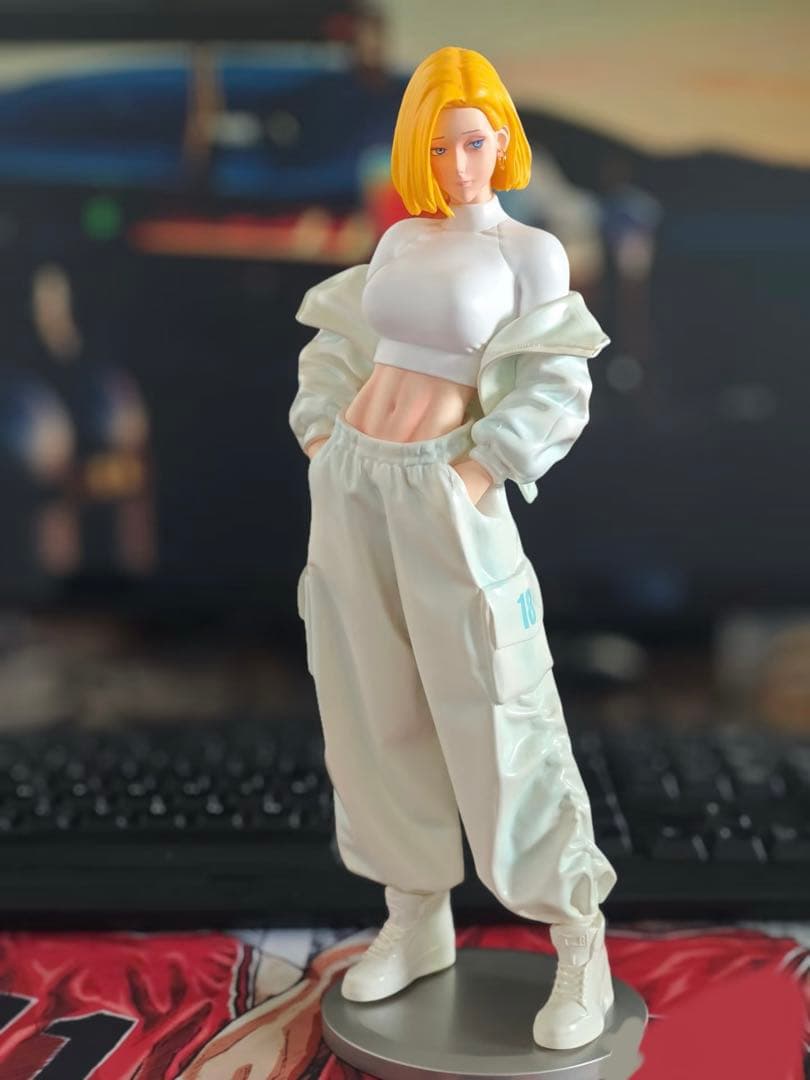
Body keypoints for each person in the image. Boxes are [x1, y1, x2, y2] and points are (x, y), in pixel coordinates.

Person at [289, 45, 618, 1051]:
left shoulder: (530, 253)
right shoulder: (400, 242)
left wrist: (476, 469)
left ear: (502, 139)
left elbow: (558, 380)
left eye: (474, 141)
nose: (460, 164)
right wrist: (323, 433)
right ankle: (415, 912)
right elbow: (343, 343)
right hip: (356, 487)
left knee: (499, 705)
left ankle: (579, 937)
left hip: (445, 494)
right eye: (439, 146)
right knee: (371, 700)